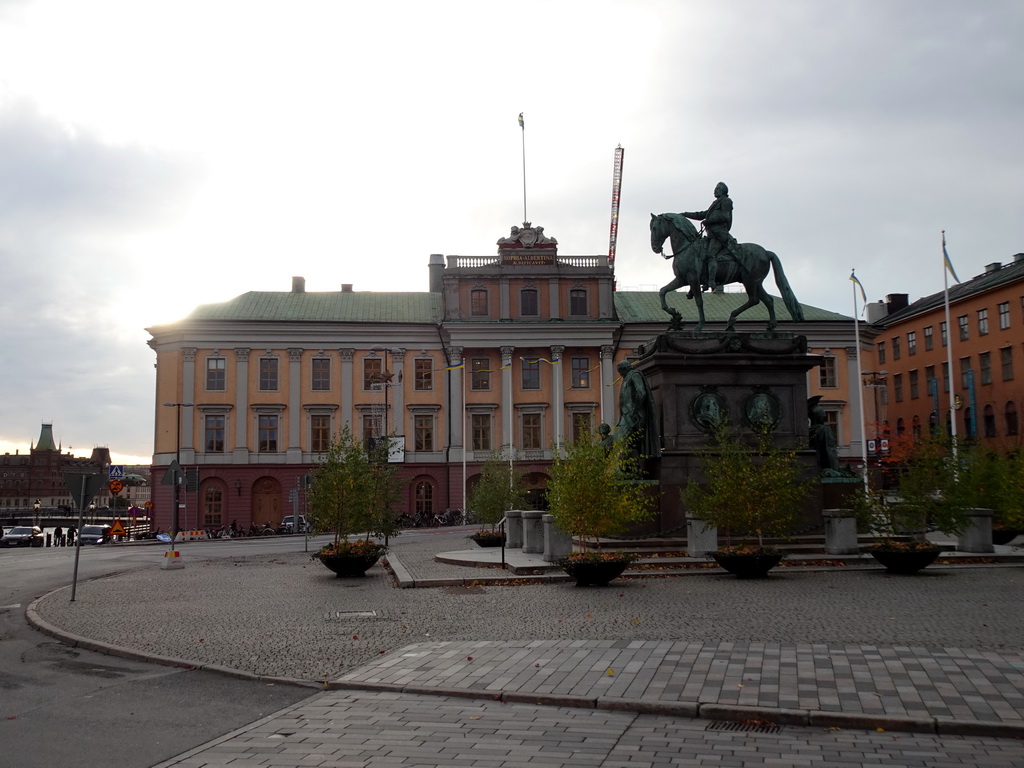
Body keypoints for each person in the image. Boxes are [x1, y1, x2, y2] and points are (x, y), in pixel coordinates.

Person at [681, 182, 741, 293]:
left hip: (720, 235)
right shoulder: (715, 203)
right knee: (699, 254)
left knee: (710, 255)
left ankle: (711, 282)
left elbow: (725, 216)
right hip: (711, 235)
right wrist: (685, 214)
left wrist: (709, 221)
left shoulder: (726, 201)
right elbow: (701, 214)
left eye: (717, 189)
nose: (715, 190)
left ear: (723, 191)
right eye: (715, 188)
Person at [613, 361, 661, 458]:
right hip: (626, 415)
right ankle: (630, 466)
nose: (620, 374)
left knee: (621, 439)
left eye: (620, 371)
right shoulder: (627, 377)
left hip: (633, 415)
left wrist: (635, 410)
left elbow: (641, 392)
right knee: (630, 441)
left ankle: (623, 467)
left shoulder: (634, 375)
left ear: (625, 368)